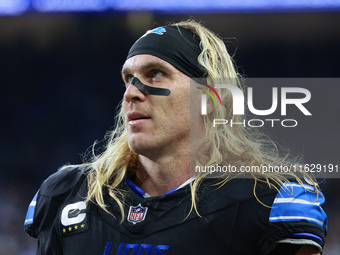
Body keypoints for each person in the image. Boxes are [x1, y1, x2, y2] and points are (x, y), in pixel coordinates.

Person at [24, 19, 327, 255]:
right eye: (129, 79)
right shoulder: (65, 195)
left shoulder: (266, 200)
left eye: (156, 73)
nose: (131, 93)